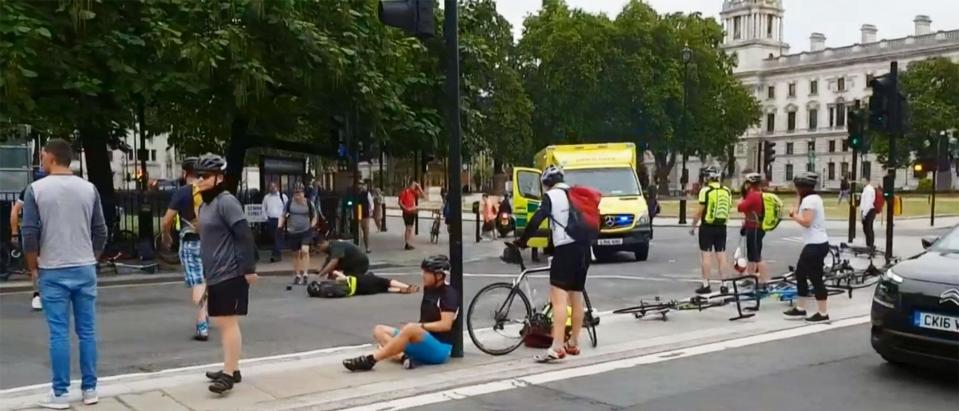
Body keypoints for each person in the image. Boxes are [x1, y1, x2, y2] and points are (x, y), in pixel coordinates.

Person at [21, 139, 108, 409]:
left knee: (59, 333)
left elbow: (30, 234)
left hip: (52, 268)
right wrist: (91, 257)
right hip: (84, 266)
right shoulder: (89, 189)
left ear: (51, 157)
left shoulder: (35, 190)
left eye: (42, 155)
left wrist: (33, 267)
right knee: (87, 331)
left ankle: (60, 393)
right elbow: (101, 231)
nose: (41, 160)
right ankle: (90, 389)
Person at [193, 154, 258, 394]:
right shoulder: (206, 204)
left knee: (228, 323)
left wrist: (248, 269)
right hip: (215, 273)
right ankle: (233, 367)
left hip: (231, 272)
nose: (199, 180)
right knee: (222, 322)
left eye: (205, 176)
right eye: (197, 175)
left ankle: (229, 375)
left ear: (219, 178)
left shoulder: (226, 201)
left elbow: (244, 235)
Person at [515, 166, 589, 363]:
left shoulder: (552, 196)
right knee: (577, 296)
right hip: (584, 249)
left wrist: (522, 241)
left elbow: (537, 219)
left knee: (559, 299)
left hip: (565, 249)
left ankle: (556, 346)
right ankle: (573, 342)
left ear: (547, 183)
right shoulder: (576, 193)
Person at [342, 255, 458, 371]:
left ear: (438, 275)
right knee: (379, 330)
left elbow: (445, 325)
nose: (422, 275)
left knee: (410, 329)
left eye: (426, 272)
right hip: (422, 340)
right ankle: (404, 357)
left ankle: (370, 360)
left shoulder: (448, 294)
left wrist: (419, 327)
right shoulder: (429, 288)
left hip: (439, 348)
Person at [160, 157, 209, 341]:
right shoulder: (209, 190)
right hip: (210, 242)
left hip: (190, 242)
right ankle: (205, 316)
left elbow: (166, 220)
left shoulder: (182, 193)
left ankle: (202, 323)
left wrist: (167, 236)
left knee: (198, 282)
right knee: (206, 279)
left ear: (184, 173)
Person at [783, 172, 831, 324]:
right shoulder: (813, 198)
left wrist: (793, 216)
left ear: (802, 187)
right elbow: (800, 208)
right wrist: (798, 197)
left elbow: (807, 221)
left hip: (814, 246)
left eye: (797, 187)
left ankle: (823, 313)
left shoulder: (810, 201)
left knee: (815, 278)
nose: (795, 189)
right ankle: (800, 308)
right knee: (801, 274)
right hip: (817, 243)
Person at [315, 238, 419, 295]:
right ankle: (406, 288)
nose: (319, 250)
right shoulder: (345, 280)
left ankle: (403, 289)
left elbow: (333, 263)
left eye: (319, 248)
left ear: (323, 242)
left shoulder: (336, 246)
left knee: (381, 288)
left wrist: (321, 275)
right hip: (360, 281)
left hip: (359, 267)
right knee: (383, 283)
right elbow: (329, 264)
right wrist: (323, 273)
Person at [689, 166, 732, 295]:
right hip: (721, 226)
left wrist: (693, 225)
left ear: (708, 178)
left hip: (707, 226)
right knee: (721, 255)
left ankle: (706, 284)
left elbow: (699, 211)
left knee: (706, 255)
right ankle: (724, 284)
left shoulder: (705, 191)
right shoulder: (727, 191)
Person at [10, 170, 44, 311]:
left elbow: (14, 211)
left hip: (30, 231)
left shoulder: (28, 189)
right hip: (47, 231)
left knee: (34, 266)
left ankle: (37, 295)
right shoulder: (49, 189)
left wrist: (14, 233)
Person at [279, 184, 317, 285]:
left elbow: (314, 216)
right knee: (295, 254)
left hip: (305, 231)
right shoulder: (290, 203)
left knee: (305, 250)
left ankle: (305, 273)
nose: (297, 196)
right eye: (295, 194)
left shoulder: (309, 203)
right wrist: (280, 226)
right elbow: (283, 215)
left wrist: (312, 227)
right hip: (293, 231)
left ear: (303, 194)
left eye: (299, 193)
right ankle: (297, 274)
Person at [737, 173, 769, 288]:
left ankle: (764, 281)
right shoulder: (759, 194)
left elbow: (741, 207)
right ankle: (750, 278)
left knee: (756, 255)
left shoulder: (753, 195)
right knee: (751, 255)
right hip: (753, 226)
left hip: (755, 228)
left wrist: (740, 201)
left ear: (749, 184)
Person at [261, 182, 288, 262]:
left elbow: (287, 207)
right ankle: (278, 254)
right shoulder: (266, 197)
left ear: (277, 188)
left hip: (280, 219)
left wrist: (285, 217)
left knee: (277, 236)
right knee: (274, 237)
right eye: (271, 187)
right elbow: (263, 208)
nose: (272, 188)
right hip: (271, 219)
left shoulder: (283, 197)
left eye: (274, 187)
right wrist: (266, 218)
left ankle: (275, 255)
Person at [399, 180, 423, 250]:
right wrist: (406, 208)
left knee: (410, 228)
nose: (414, 187)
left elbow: (423, 195)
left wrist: (418, 187)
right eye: (413, 185)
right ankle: (407, 243)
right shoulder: (404, 192)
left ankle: (408, 243)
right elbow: (400, 202)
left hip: (412, 212)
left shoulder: (413, 192)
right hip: (407, 212)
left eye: (415, 186)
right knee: (408, 227)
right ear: (410, 185)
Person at [860, 177, 877, 250]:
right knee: (866, 228)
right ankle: (869, 244)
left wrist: (864, 214)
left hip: (869, 211)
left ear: (867, 181)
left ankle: (870, 245)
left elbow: (868, 202)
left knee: (868, 228)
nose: (862, 182)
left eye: (863, 181)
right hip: (867, 211)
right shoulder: (866, 189)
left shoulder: (869, 190)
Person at [357, 180, 374, 253]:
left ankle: (367, 247)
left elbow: (371, 203)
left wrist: (371, 211)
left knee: (366, 232)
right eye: (359, 184)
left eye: (361, 184)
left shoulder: (367, 193)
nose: (360, 186)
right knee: (357, 233)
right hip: (357, 214)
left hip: (365, 214)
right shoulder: (355, 193)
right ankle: (357, 248)